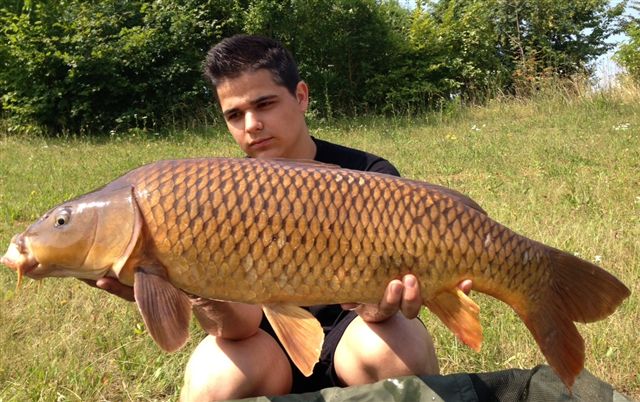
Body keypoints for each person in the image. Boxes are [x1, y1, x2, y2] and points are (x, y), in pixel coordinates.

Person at [88, 34, 472, 401]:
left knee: (398, 344)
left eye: (264, 104)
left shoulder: (369, 176)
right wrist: (188, 285)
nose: (251, 124)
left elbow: (386, 303)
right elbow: (240, 327)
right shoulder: (215, 196)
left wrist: (381, 302)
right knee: (212, 376)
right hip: (267, 346)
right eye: (234, 115)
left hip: (353, 337)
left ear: (301, 96)